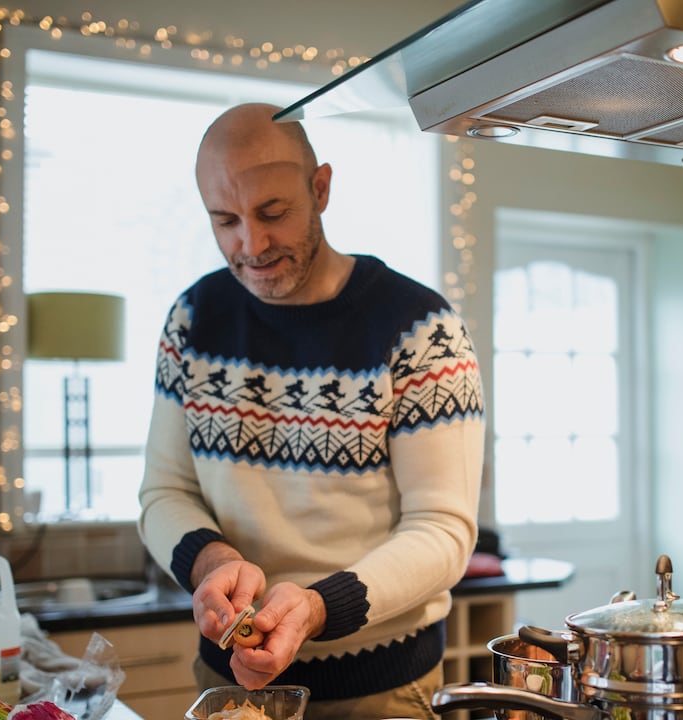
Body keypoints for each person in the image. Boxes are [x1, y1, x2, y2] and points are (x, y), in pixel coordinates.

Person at [137, 102, 486, 720]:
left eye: (273, 213)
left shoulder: (420, 328)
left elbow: (443, 531)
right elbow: (165, 491)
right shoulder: (193, 319)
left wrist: (320, 607)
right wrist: (214, 561)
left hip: (378, 691)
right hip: (228, 685)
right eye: (225, 221)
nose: (251, 244)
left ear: (320, 189)